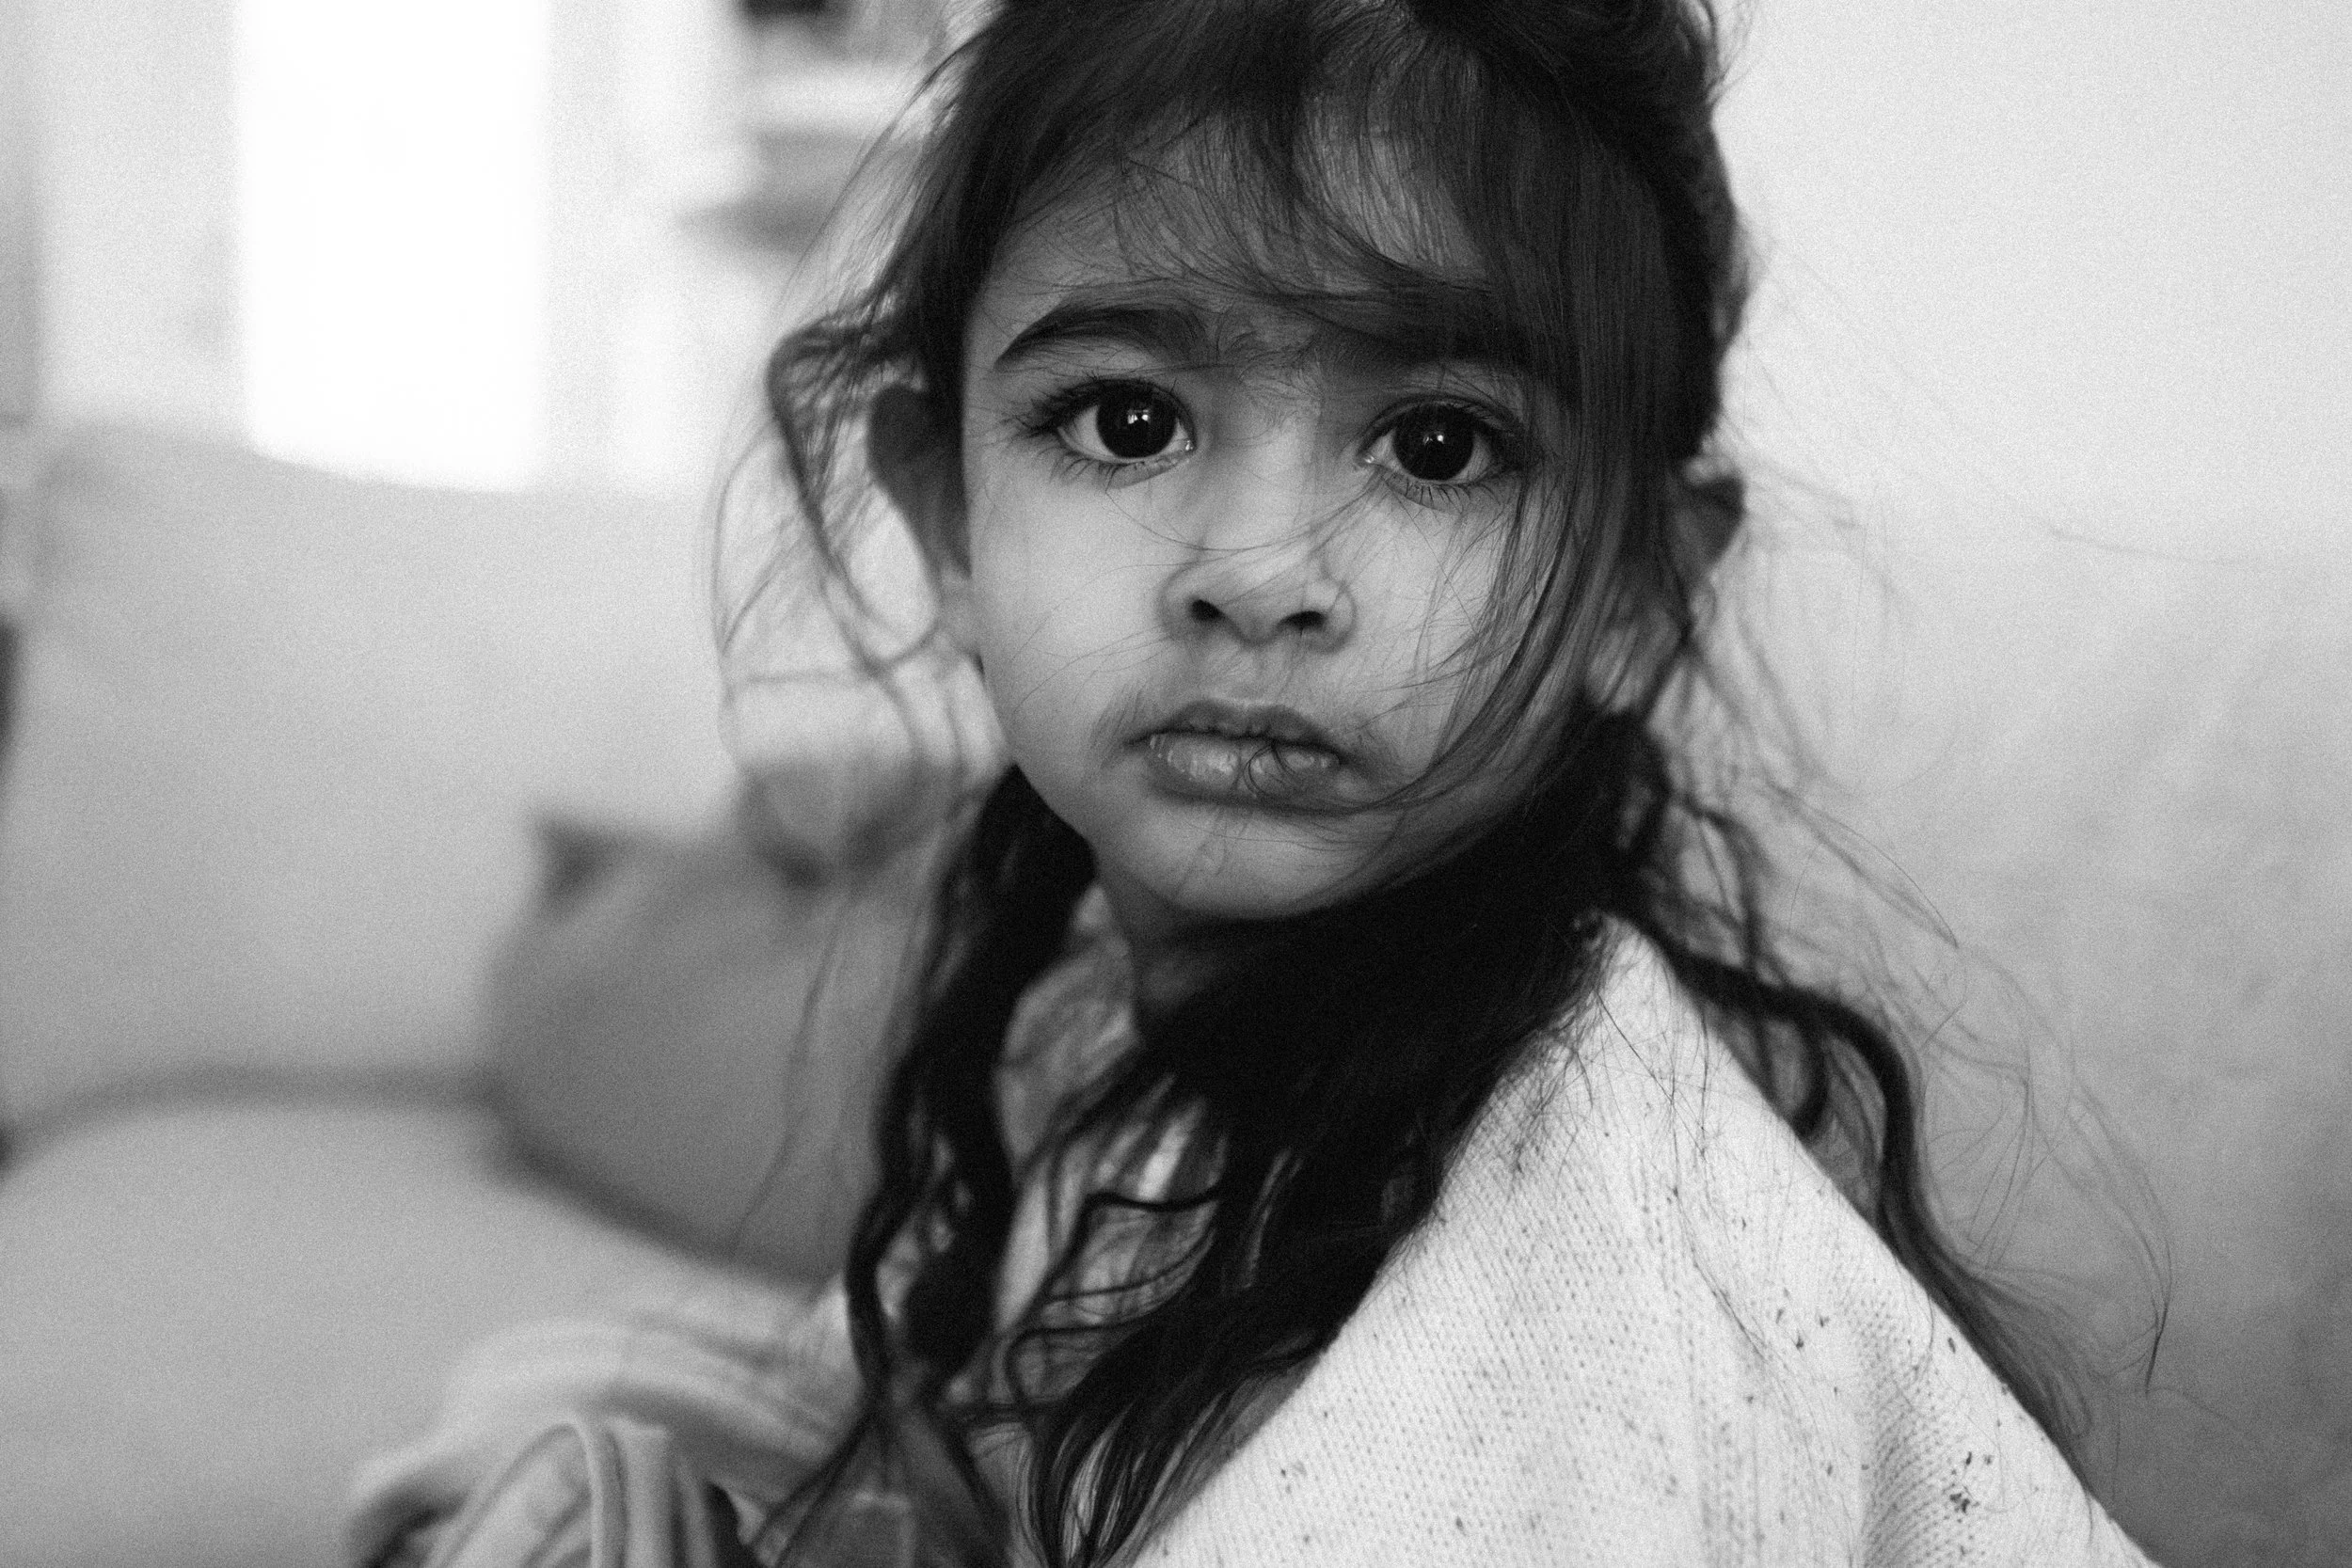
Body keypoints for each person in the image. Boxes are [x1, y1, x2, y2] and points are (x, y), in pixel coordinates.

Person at [348, 1, 2159, 1563]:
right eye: (1127, 420)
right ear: (949, 519)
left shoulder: (1567, 1297)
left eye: (1438, 445)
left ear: (1634, 592)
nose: (1261, 565)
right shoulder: (1146, 1058)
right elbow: (924, 1395)